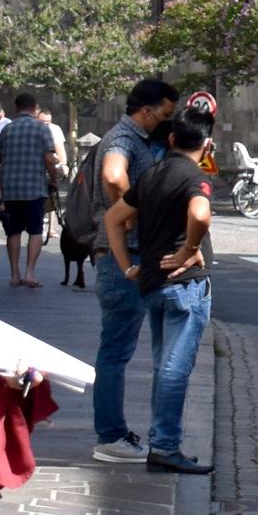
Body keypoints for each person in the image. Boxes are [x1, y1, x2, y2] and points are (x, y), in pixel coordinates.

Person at [105, 117, 216, 476]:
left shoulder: (151, 174)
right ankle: (165, 445)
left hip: (151, 281)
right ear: (206, 146)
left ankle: (161, 441)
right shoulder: (194, 177)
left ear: (171, 139)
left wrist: (126, 266)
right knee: (174, 369)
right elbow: (200, 213)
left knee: (161, 365)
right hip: (185, 284)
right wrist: (189, 249)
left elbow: (113, 218)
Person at [88, 79, 181, 465]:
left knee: (117, 349)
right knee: (116, 350)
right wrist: (129, 216)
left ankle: (112, 432)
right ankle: (110, 435)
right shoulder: (123, 138)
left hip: (121, 255)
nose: (165, 122)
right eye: (163, 115)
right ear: (147, 111)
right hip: (120, 257)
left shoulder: (131, 137)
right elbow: (113, 175)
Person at [0, 95, 57, 290]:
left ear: (16, 107)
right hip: (34, 187)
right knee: (35, 230)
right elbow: (49, 158)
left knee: (13, 232)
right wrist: (53, 177)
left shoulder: (7, 129)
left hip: (11, 188)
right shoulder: (41, 129)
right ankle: (30, 272)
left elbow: (0, 157)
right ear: (35, 108)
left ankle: (15, 274)